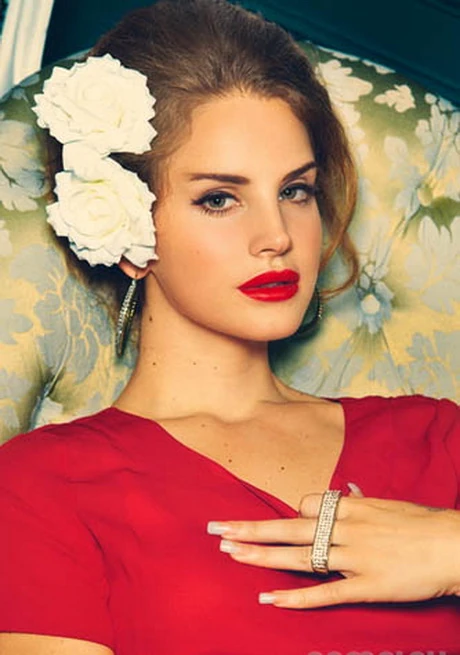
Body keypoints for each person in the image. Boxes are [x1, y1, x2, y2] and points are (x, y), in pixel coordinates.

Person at [0, 0, 458, 653]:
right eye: (219, 199)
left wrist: (451, 549)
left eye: (296, 191)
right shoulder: (40, 488)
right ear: (126, 229)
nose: (277, 236)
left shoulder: (437, 439)